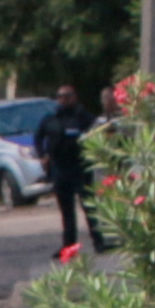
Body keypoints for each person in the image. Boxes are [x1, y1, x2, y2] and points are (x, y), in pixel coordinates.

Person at [36, 82, 96, 254]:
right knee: (66, 211)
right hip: (60, 169)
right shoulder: (51, 118)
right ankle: (69, 246)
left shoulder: (83, 117)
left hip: (80, 168)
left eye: (67, 96)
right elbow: (38, 137)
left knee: (89, 207)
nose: (63, 99)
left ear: (74, 97)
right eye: (60, 96)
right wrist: (42, 155)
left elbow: (97, 131)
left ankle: (99, 241)